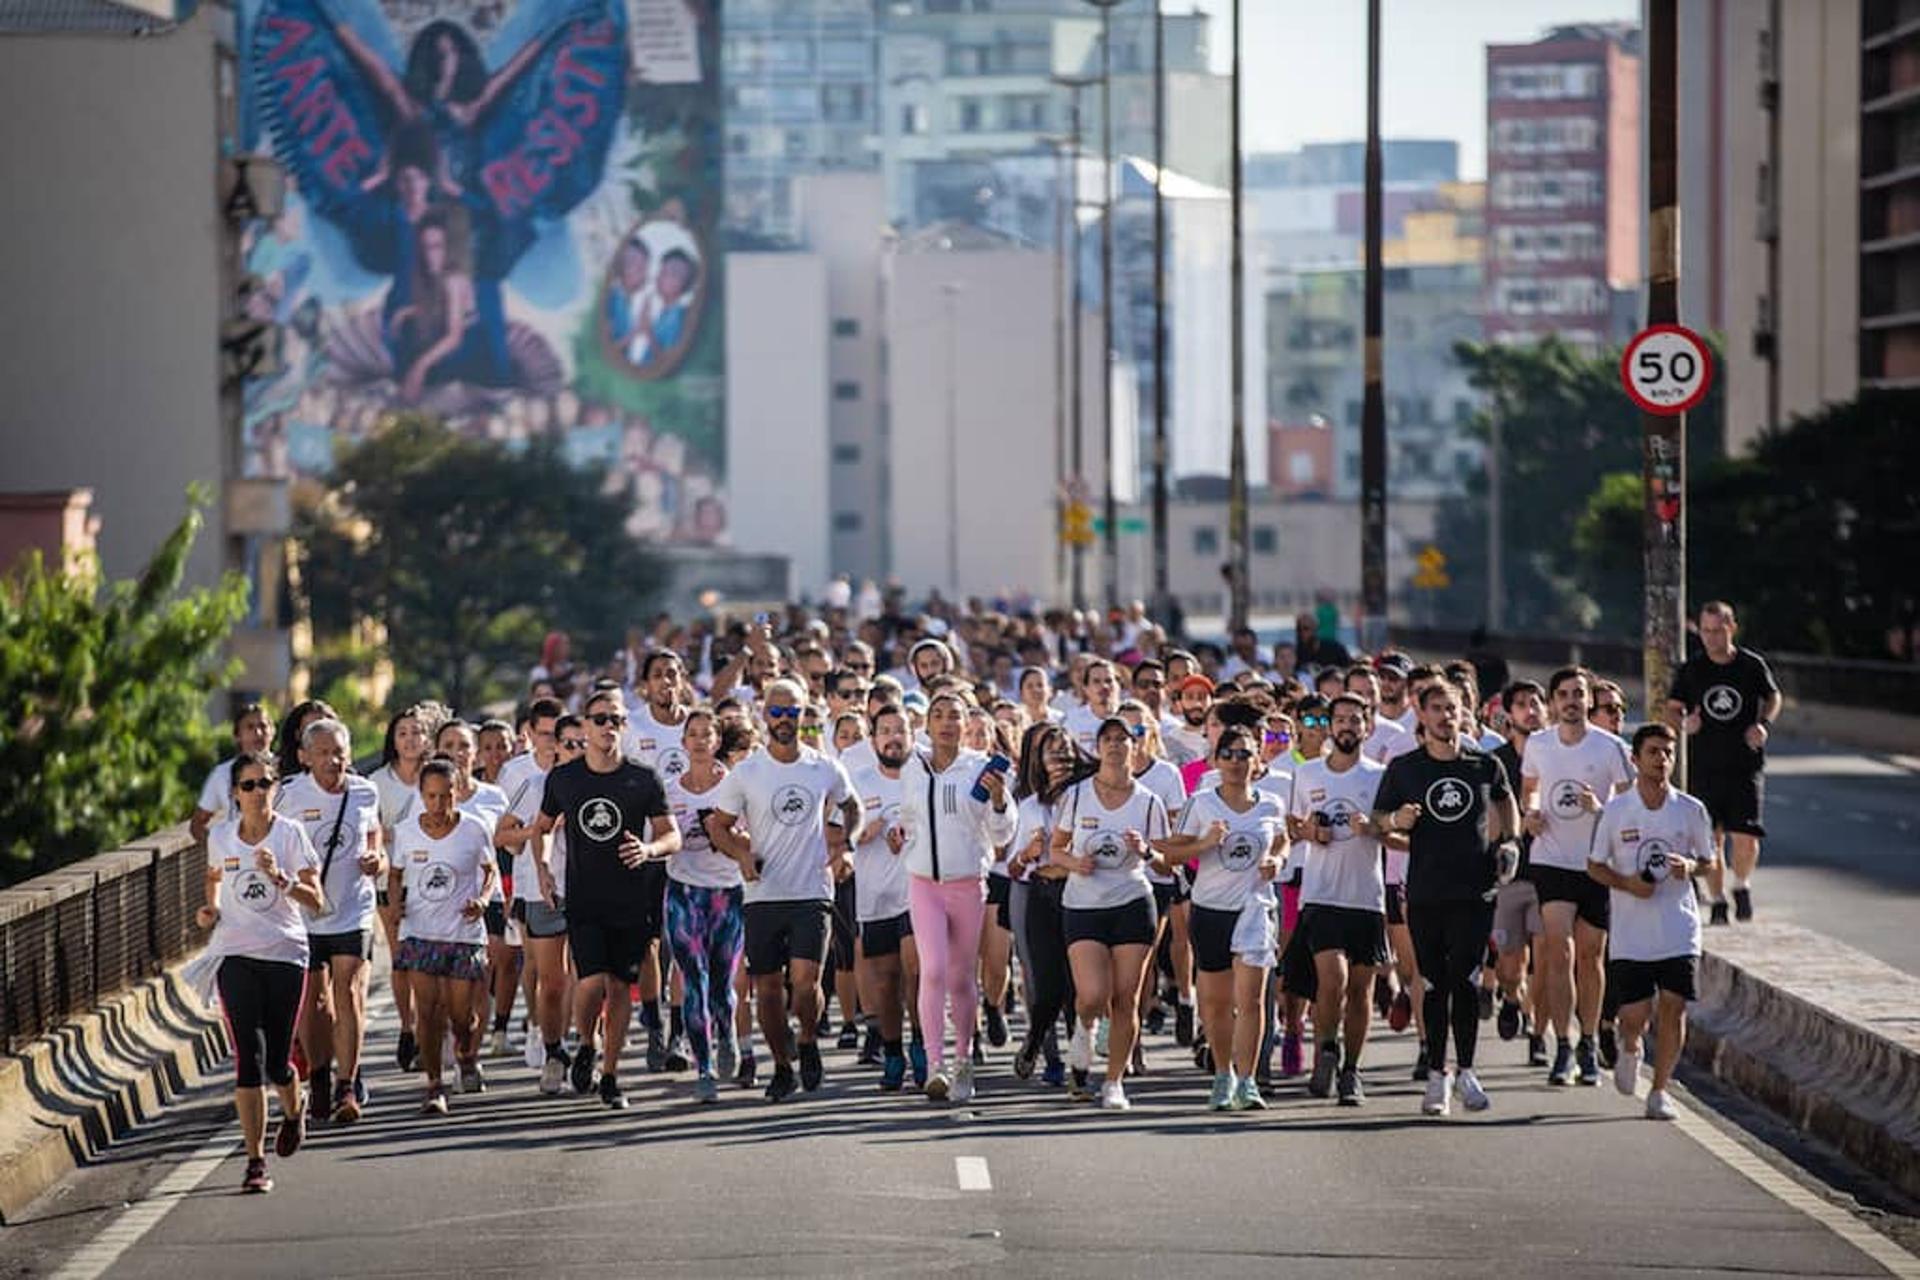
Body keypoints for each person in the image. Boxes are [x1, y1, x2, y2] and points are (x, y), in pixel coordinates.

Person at [703, 679, 859, 1102]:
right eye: (777, 712)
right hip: (762, 894)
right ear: (764, 715)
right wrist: (740, 853)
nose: (785, 720)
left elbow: (852, 806)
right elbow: (715, 824)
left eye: (793, 712)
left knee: (806, 983)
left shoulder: (823, 766)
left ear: (804, 714)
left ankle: (807, 1039)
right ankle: (783, 1066)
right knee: (769, 989)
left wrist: (845, 845)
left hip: (812, 890)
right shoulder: (746, 772)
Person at [1373, 681, 1520, 1117]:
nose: (1444, 716)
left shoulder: (1483, 763)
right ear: (1422, 714)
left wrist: (1509, 843)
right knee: (1433, 983)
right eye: (1435, 708)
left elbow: (1505, 799)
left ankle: (1469, 1071)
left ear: (1464, 712)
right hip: (1424, 892)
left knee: (1467, 981)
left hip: (1476, 890)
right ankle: (1437, 1074)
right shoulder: (1405, 768)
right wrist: (1396, 820)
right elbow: (1378, 820)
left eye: (1451, 708)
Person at [532, 688, 680, 1110]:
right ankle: (585, 1042)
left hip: (631, 901)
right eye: (600, 719)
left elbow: (672, 834)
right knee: (591, 981)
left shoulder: (642, 777)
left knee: (619, 989)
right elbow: (542, 827)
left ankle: (611, 1074)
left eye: (616, 720)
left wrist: (649, 850)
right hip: (585, 899)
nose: (608, 727)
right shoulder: (565, 778)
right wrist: (543, 866)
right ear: (585, 724)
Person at [197, 751, 325, 1193]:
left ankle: (294, 1109)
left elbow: (319, 902)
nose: (257, 793)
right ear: (235, 793)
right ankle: (255, 1162)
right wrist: (210, 909)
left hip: (285, 955)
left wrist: (282, 879)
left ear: (275, 789)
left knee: (277, 1061)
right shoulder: (221, 837)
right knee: (247, 1060)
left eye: (264, 784)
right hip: (235, 955)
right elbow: (214, 877)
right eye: (248, 786)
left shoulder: (292, 835)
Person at [1586, 723, 1718, 1121]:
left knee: (1674, 1008)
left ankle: (1660, 1090)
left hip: (1679, 927)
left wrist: (1691, 866)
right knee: (1634, 1017)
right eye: (1654, 752)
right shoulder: (1615, 811)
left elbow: (1709, 861)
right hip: (1632, 933)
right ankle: (1630, 1046)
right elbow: (1594, 867)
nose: (1662, 760)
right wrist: (1626, 883)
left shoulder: (1690, 809)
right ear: (1636, 758)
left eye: (1668, 753)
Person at [895, 692, 1017, 1103]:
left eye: (955, 716)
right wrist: (900, 831)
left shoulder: (979, 769)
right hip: (923, 883)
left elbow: (1002, 836)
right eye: (939, 716)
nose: (946, 723)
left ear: (966, 725)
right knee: (932, 971)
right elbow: (908, 816)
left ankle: (963, 1058)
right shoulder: (914, 767)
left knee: (962, 976)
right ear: (927, 724)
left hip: (967, 884)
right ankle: (934, 1066)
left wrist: (1000, 799)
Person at [1520, 667, 1633, 1087]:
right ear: (1552, 702)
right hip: (1551, 859)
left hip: (1597, 864)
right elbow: (1528, 787)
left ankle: (1588, 1040)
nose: (1570, 700)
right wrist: (1530, 812)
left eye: (1578, 694)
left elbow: (1628, 807)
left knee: (1590, 955)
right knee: (1558, 951)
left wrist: (1598, 806)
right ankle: (1562, 1045)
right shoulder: (1538, 743)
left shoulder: (1611, 748)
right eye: (1563, 694)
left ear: (1589, 701)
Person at [1164, 726, 1286, 1111]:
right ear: (1215, 760)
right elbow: (1172, 855)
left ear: (1258, 761)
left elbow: (1281, 839)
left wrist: (1277, 860)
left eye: (1244, 754)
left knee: (1250, 1000)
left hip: (1254, 910)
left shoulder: (1271, 804)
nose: (1236, 762)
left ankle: (1248, 1080)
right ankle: (1222, 1075)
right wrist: (1204, 844)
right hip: (1211, 911)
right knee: (1216, 1004)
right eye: (1228, 754)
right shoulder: (1201, 803)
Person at [1052, 717, 1171, 1110]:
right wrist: (1074, 863)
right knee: (1091, 995)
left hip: (1132, 901)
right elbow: (1055, 849)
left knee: (1126, 998)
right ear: (1098, 746)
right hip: (1084, 903)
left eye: (1125, 739)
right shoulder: (1078, 795)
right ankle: (1084, 1029)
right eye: (1109, 739)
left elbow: (1167, 864)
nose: (1117, 745)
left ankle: (1114, 1081)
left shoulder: (1148, 801)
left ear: (1136, 746)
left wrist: (1146, 851)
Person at [274, 718, 383, 1125]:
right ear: (304, 757)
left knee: (349, 991)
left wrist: (378, 860)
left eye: (339, 752)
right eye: (323, 753)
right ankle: (318, 1074)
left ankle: (346, 1084)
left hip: (353, 908)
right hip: (305, 913)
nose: (332, 760)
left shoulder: (365, 792)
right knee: (314, 1002)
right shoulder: (287, 795)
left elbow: (375, 839)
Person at [1289, 696, 1390, 1106]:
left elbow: (1397, 832)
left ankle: (1351, 1070)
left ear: (1367, 727)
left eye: (1355, 719)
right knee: (1333, 980)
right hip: (1321, 894)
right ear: (1330, 727)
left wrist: (1373, 828)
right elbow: (1292, 825)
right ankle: (1326, 1049)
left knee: (1361, 990)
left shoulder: (1381, 776)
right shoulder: (1308, 773)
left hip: (1366, 896)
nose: (1347, 726)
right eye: (1341, 719)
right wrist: (1310, 832)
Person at [388, 758, 497, 1115]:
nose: (438, 805)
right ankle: (434, 1085)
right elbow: (395, 873)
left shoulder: (475, 829)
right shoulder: (406, 831)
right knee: (429, 1013)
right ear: (421, 795)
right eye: (431, 797)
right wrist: (394, 905)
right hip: (420, 933)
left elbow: (490, 870)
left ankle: (466, 1054)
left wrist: (482, 899)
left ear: (457, 793)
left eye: (445, 797)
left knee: (460, 1015)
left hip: (463, 933)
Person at [1665, 601, 1781, 924]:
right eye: (1705, 631)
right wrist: (1685, 723)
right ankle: (1717, 900)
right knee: (1710, 839)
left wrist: (1763, 725)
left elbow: (1773, 696)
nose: (1711, 638)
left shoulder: (1750, 665)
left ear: (1731, 628)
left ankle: (1741, 885)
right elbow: (1672, 708)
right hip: (1705, 765)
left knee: (1746, 836)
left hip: (1745, 764)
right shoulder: (1692, 670)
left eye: (1718, 631)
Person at [663, 711, 751, 1104]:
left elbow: (753, 837)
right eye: (692, 735)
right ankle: (704, 1067)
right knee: (692, 980)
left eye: (707, 734)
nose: (699, 741)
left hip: (727, 892)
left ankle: (727, 1032)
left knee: (721, 983)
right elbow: (659, 834)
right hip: (684, 892)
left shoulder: (736, 786)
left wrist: (734, 836)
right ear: (683, 743)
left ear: (717, 741)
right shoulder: (668, 790)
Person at [493, 698, 570, 1092]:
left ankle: (573, 1044)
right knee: (543, 973)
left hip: (586, 887)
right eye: (545, 733)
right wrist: (538, 831)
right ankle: (544, 1030)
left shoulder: (585, 772)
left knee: (584, 975)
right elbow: (504, 837)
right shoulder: (521, 777)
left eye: (560, 734)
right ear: (530, 734)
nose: (553, 741)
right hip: (534, 885)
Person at [849, 703, 922, 1090]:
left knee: (918, 972)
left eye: (901, 730)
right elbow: (840, 835)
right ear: (873, 739)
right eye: (886, 731)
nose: (893, 738)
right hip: (874, 897)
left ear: (913, 736)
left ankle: (924, 1049)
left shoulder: (924, 778)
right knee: (885, 983)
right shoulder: (857, 780)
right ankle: (893, 1053)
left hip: (918, 894)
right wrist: (867, 830)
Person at [1007, 723, 1081, 1087]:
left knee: (1078, 987)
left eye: (1066, 752)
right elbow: (1013, 867)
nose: (1060, 759)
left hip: (1079, 895)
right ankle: (1037, 1042)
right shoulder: (1029, 805)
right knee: (1048, 983)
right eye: (1053, 753)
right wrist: (1027, 853)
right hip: (1040, 895)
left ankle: (1078, 1067)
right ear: (1040, 760)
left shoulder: (1088, 796)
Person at [371, 704, 440, 1073]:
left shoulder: (439, 777)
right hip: (392, 882)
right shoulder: (378, 783)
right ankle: (407, 1027)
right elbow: (374, 832)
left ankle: (432, 1028)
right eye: (403, 733)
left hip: (435, 884)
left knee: (431, 962)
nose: (411, 740)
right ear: (393, 741)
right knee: (403, 959)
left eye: (417, 732)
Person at [1490, 680, 1550, 1067]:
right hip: (1509, 877)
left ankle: (1539, 1034)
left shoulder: (1558, 756)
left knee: (1546, 961)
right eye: (1522, 704)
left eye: (1537, 703)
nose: (1531, 709)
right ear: (1509, 714)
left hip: (1550, 876)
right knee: (1512, 962)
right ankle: (1511, 997)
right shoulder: (1495, 762)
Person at [191, 702, 274, 844]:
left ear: (272, 732)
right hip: (240, 860)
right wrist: (220, 850)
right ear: (237, 736)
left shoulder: (285, 768)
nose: (258, 733)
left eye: (263, 726)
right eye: (250, 727)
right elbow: (197, 824)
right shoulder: (222, 774)